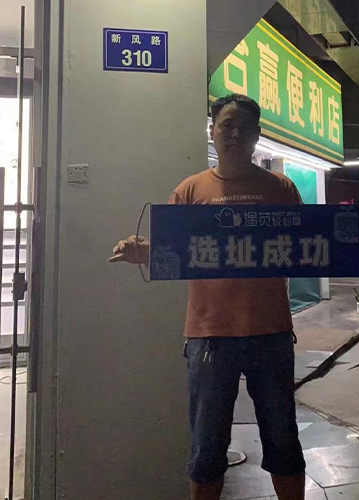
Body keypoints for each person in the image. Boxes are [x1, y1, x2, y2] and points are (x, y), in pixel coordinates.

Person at [109, 94, 306, 500]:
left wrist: (358, 245)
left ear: (257, 135)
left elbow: (309, 244)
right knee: (207, 447)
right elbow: (171, 250)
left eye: (244, 127)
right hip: (209, 336)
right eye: (226, 125)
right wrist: (143, 251)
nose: (235, 133)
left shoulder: (281, 188)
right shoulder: (190, 190)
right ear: (212, 131)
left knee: (284, 440)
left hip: (271, 333)